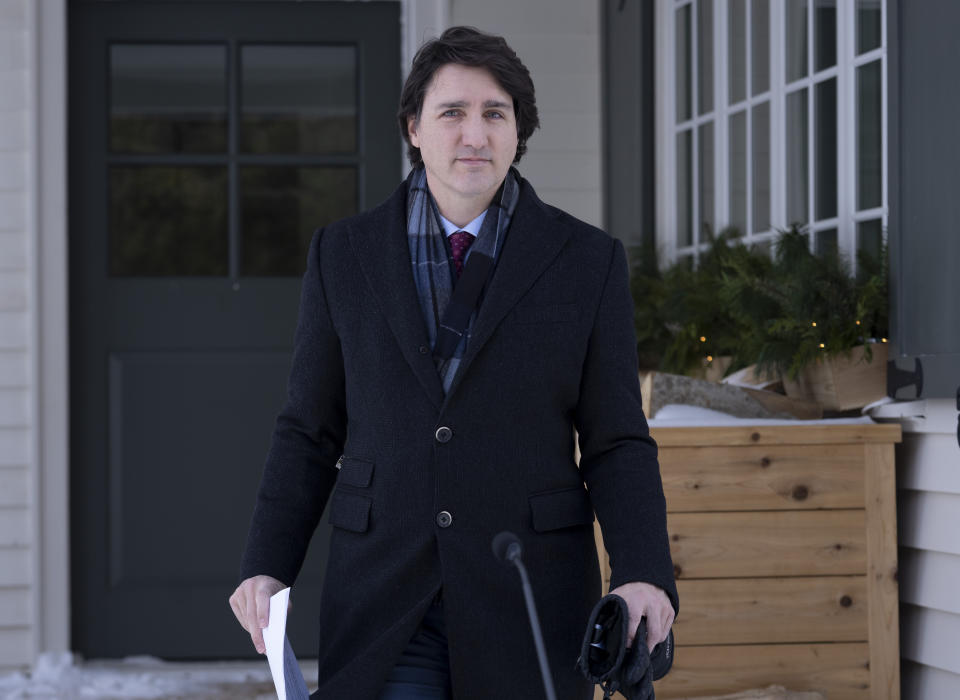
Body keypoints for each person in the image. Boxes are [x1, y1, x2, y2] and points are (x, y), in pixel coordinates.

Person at [229, 26, 677, 700]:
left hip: (528, 592)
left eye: (496, 113)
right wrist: (267, 566)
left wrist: (642, 571)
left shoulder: (588, 262)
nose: (476, 134)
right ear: (414, 127)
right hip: (384, 593)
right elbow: (309, 431)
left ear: (518, 129)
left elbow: (616, 439)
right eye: (452, 112)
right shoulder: (342, 256)